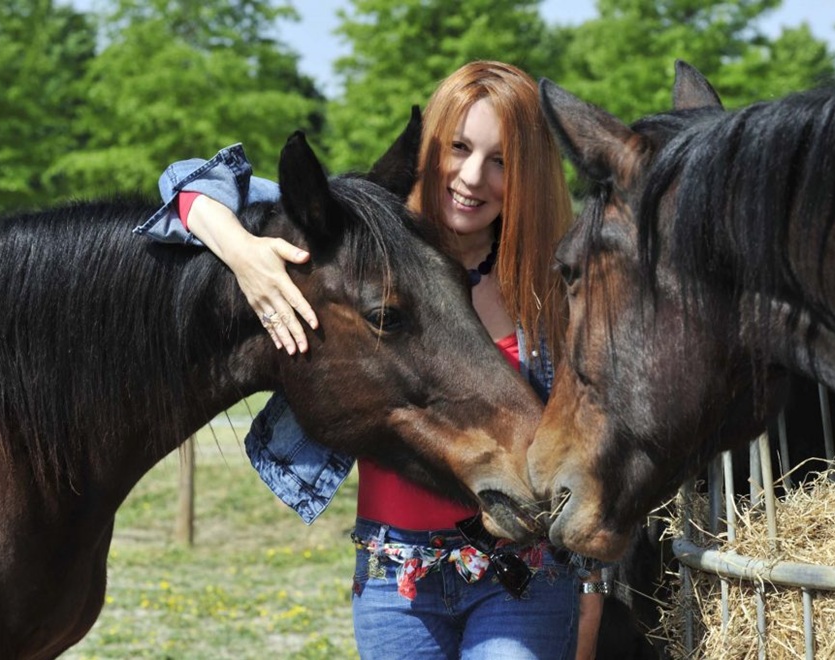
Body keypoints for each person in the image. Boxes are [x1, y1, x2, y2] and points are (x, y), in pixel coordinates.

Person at [136, 60, 606, 659]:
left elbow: (587, 441)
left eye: (500, 161)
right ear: (431, 150)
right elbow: (186, 179)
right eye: (459, 148)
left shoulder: (550, 286)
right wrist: (242, 253)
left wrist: (589, 583)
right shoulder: (371, 240)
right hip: (395, 579)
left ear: (528, 176)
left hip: (521, 575)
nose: (471, 177)